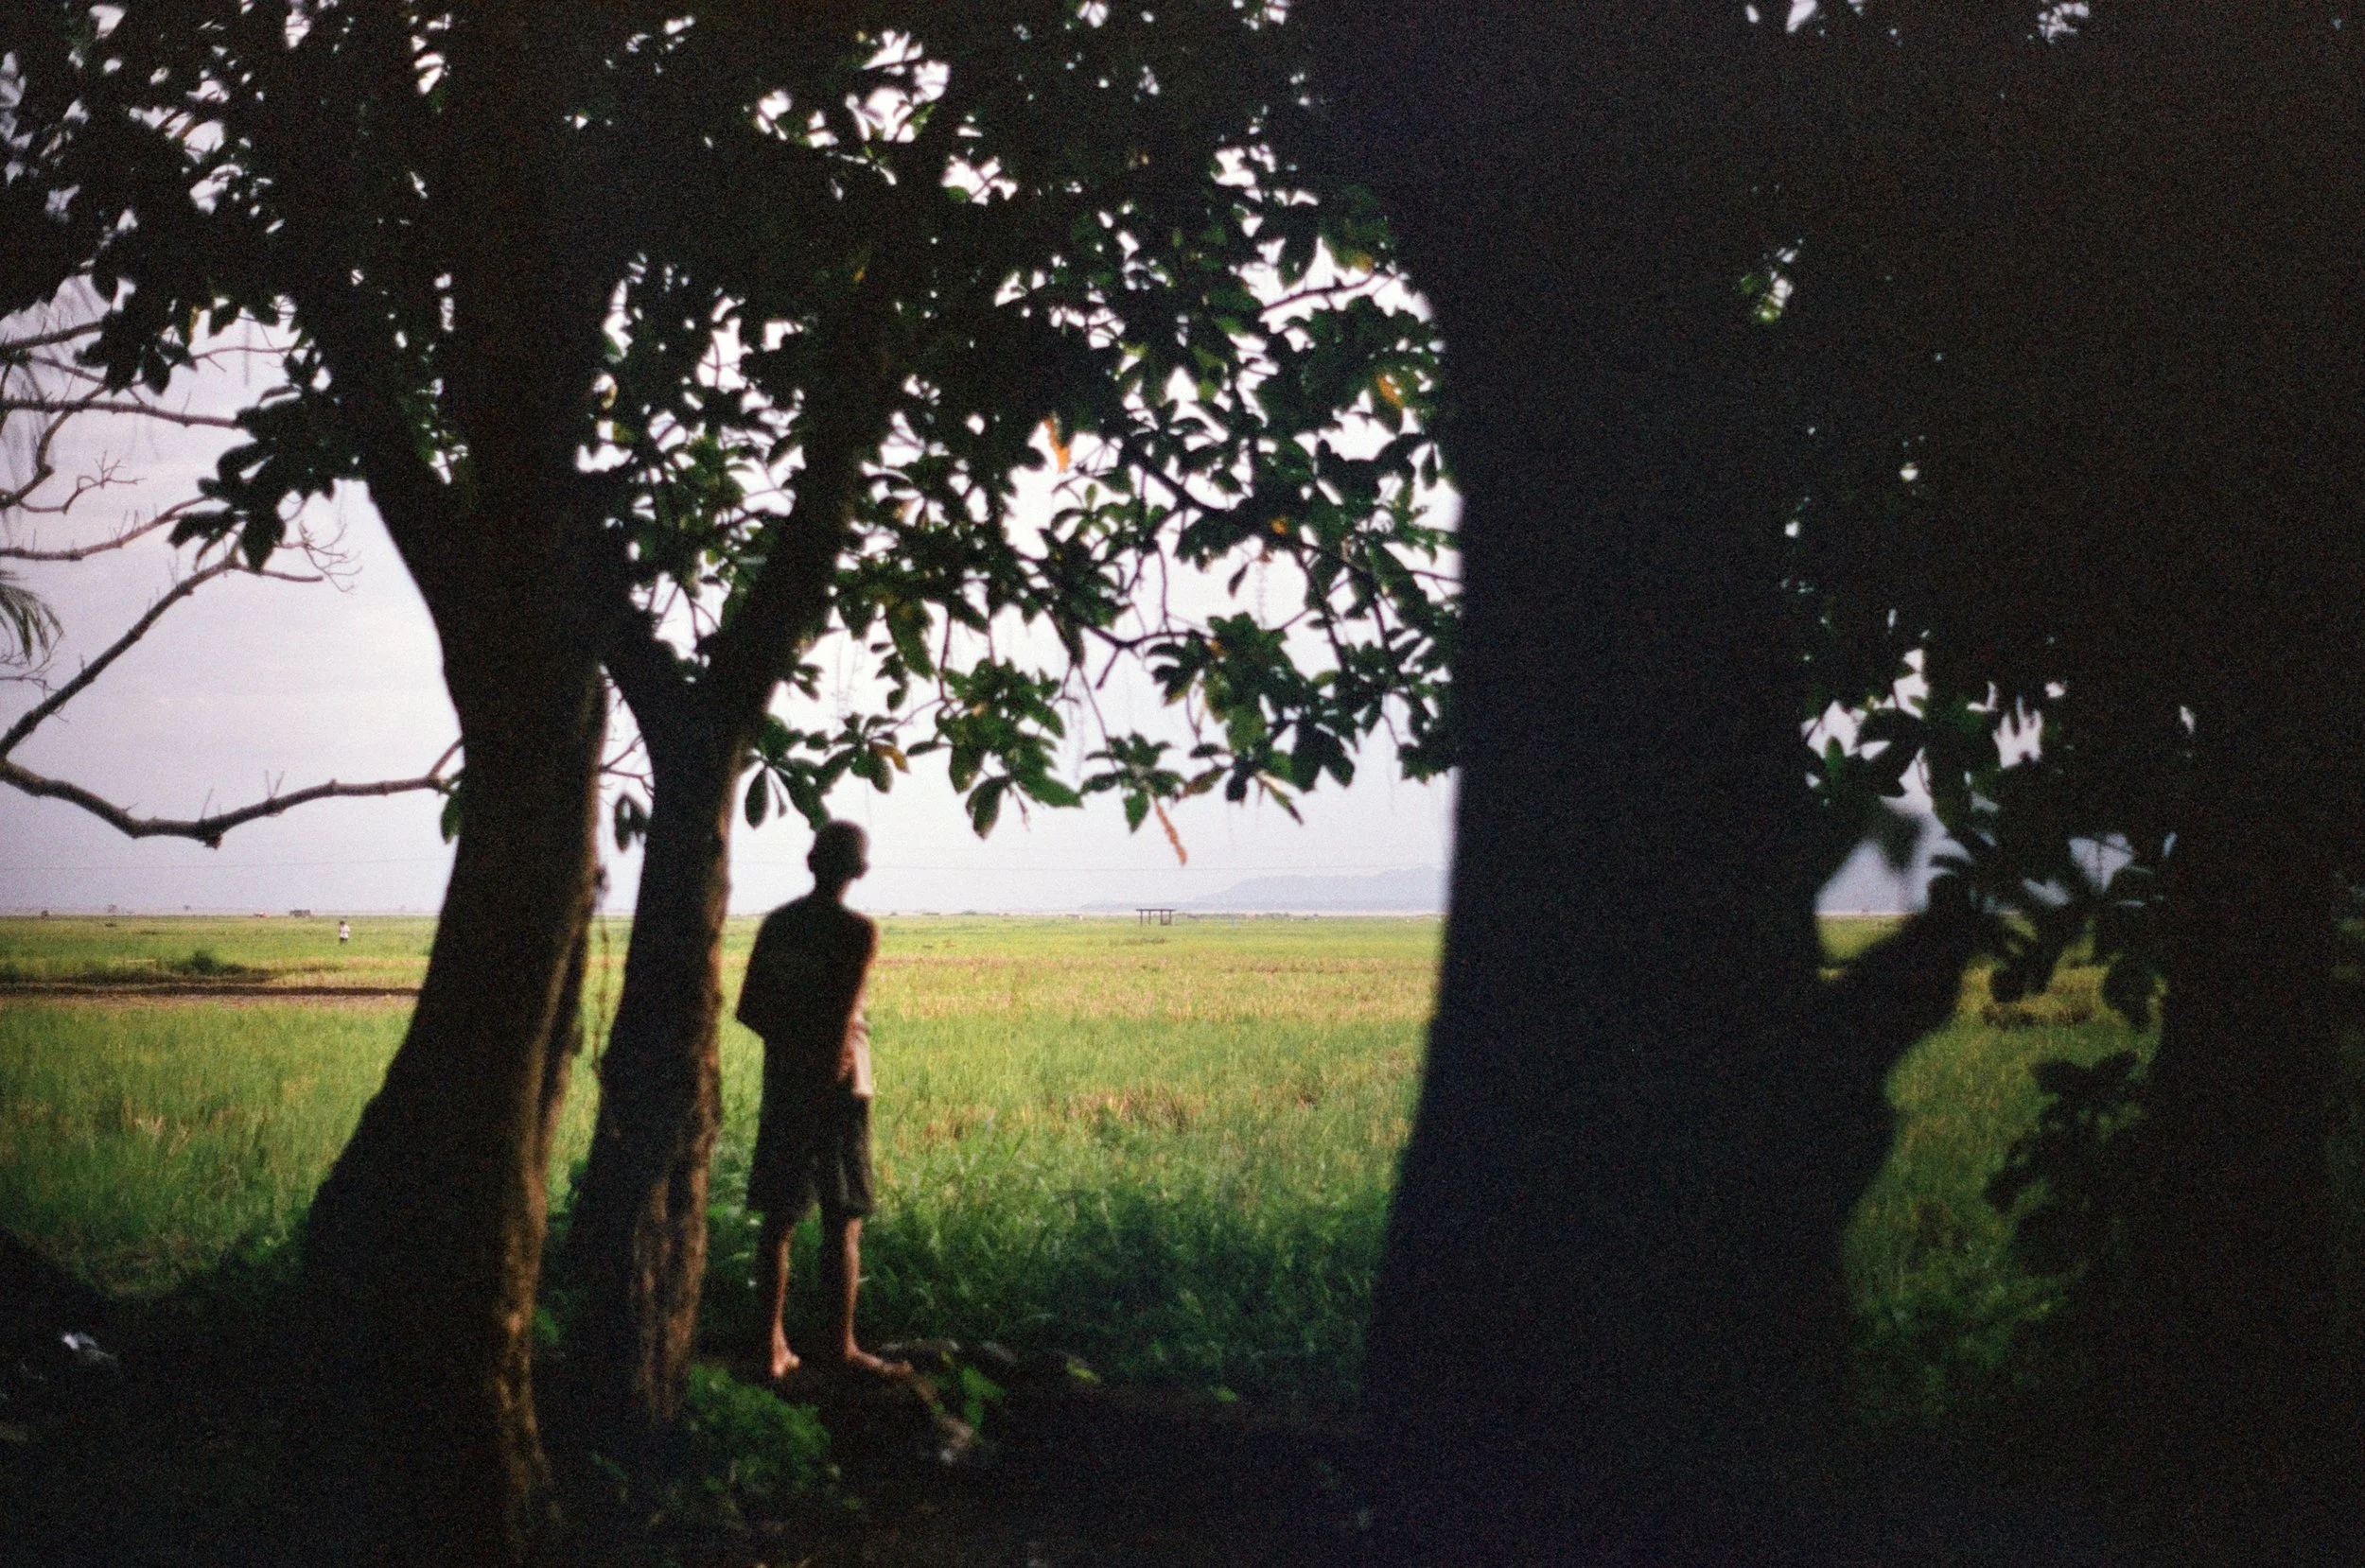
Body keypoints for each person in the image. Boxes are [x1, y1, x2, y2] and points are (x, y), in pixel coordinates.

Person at [736, 820, 906, 1381]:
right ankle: (841, 1347)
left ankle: (771, 1347)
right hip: (838, 1087)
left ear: (811, 862)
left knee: (779, 1219)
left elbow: (750, 1009)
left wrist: (793, 1050)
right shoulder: (858, 930)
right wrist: (822, 1073)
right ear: (860, 871)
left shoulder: (779, 925)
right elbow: (840, 1022)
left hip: (785, 1077)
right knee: (844, 1218)